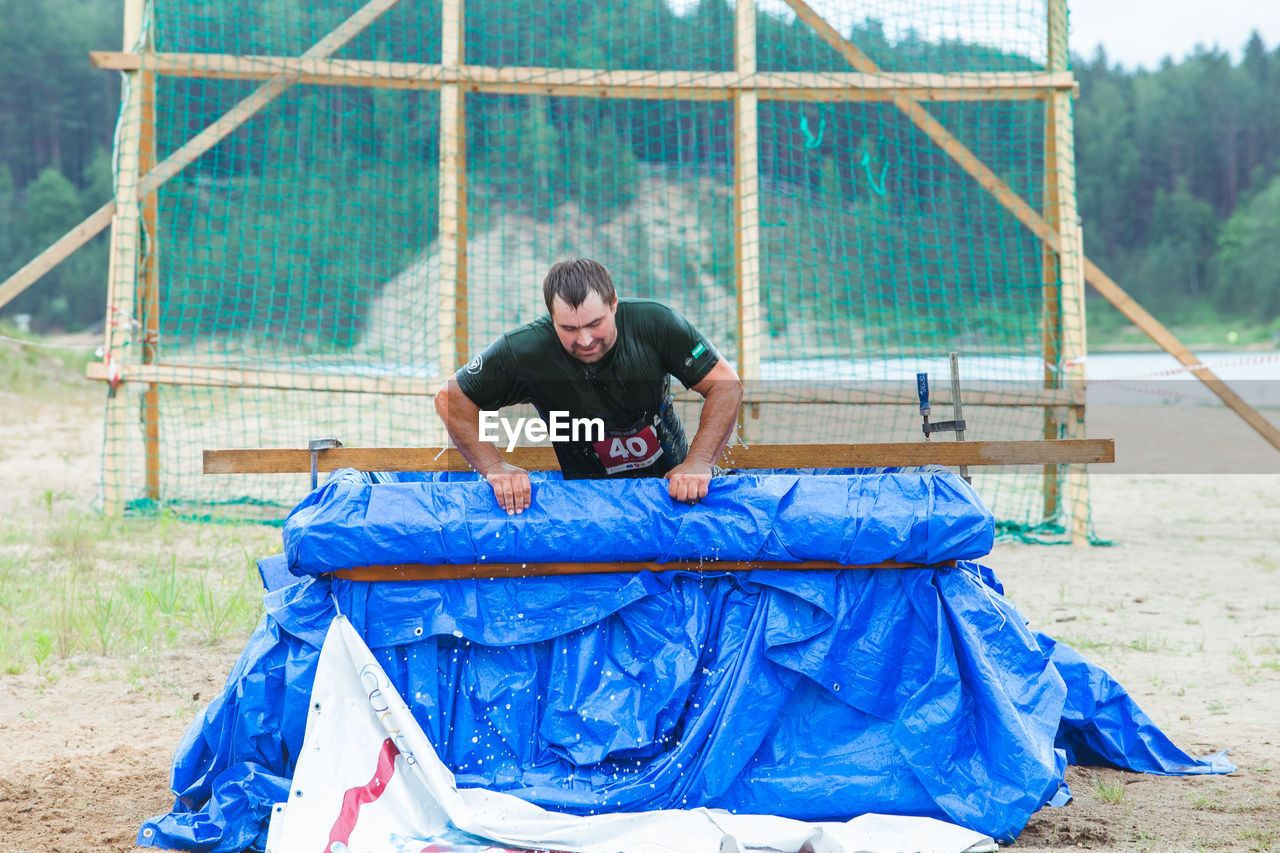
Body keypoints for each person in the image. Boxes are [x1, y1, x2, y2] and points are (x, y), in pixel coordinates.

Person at [434, 258, 743, 515]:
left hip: (674, 495)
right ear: (551, 319)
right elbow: (451, 398)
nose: (584, 340)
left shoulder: (656, 324)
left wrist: (699, 462)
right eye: (568, 328)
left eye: (595, 324)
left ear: (614, 304)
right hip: (589, 506)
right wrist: (495, 466)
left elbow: (726, 385)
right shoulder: (526, 349)